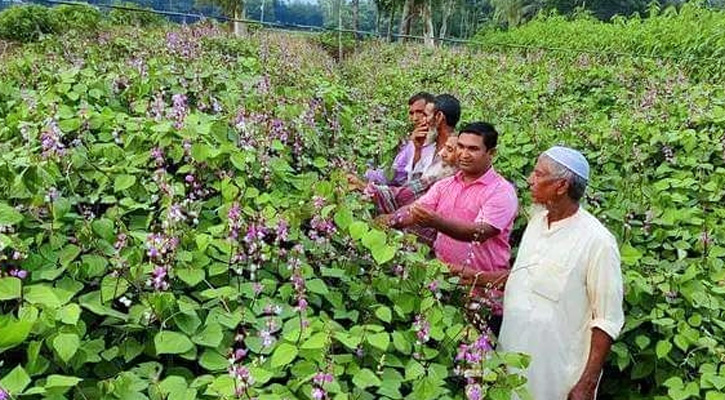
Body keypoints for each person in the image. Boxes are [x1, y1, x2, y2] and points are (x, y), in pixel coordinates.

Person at [495, 146, 625, 400]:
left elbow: (607, 320)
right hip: (512, 353)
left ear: (561, 185)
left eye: (539, 174)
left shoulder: (597, 241)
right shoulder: (536, 222)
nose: (530, 180)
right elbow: (525, 280)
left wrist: (586, 383)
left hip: (557, 371)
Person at [385, 121, 518, 274]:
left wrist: (437, 222)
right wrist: (389, 220)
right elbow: (415, 211)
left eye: (473, 149)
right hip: (442, 278)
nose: (464, 154)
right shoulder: (446, 184)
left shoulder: (501, 191)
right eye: (460, 147)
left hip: (479, 285)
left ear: (491, 153)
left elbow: (481, 232)